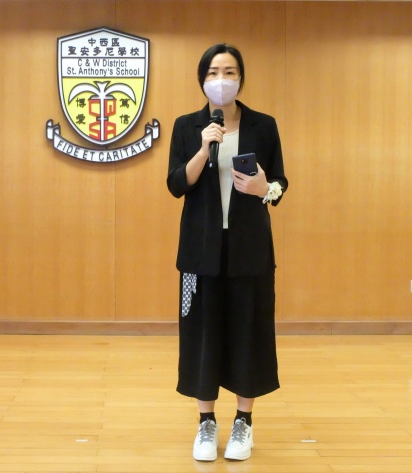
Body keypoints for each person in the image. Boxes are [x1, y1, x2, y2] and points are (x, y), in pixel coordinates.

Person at [166, 43, 288, 462]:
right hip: (200, 252)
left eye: (229, 71)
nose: (222, 79)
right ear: (202, 79)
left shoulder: (263, 125)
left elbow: (281, 184)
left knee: (248, 331)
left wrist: (264, 189)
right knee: (202, 334)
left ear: (241, 78)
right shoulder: (187, 126)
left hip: (249, 251)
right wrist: (204, 149)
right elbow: (176, 184)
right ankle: (205, 422)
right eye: (214, 72)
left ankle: (243, 422)